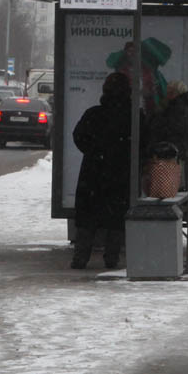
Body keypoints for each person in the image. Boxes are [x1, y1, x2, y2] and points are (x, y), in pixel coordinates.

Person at [71, 72, 135, 269]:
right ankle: (111, 258)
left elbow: (78, 136)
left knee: (88, 219)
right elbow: (143, 142)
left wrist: (94, 152)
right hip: (120, 173)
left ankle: (80, 258)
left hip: (93, 173)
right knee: (116, 219)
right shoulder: (133, 116)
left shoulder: (94, 114)